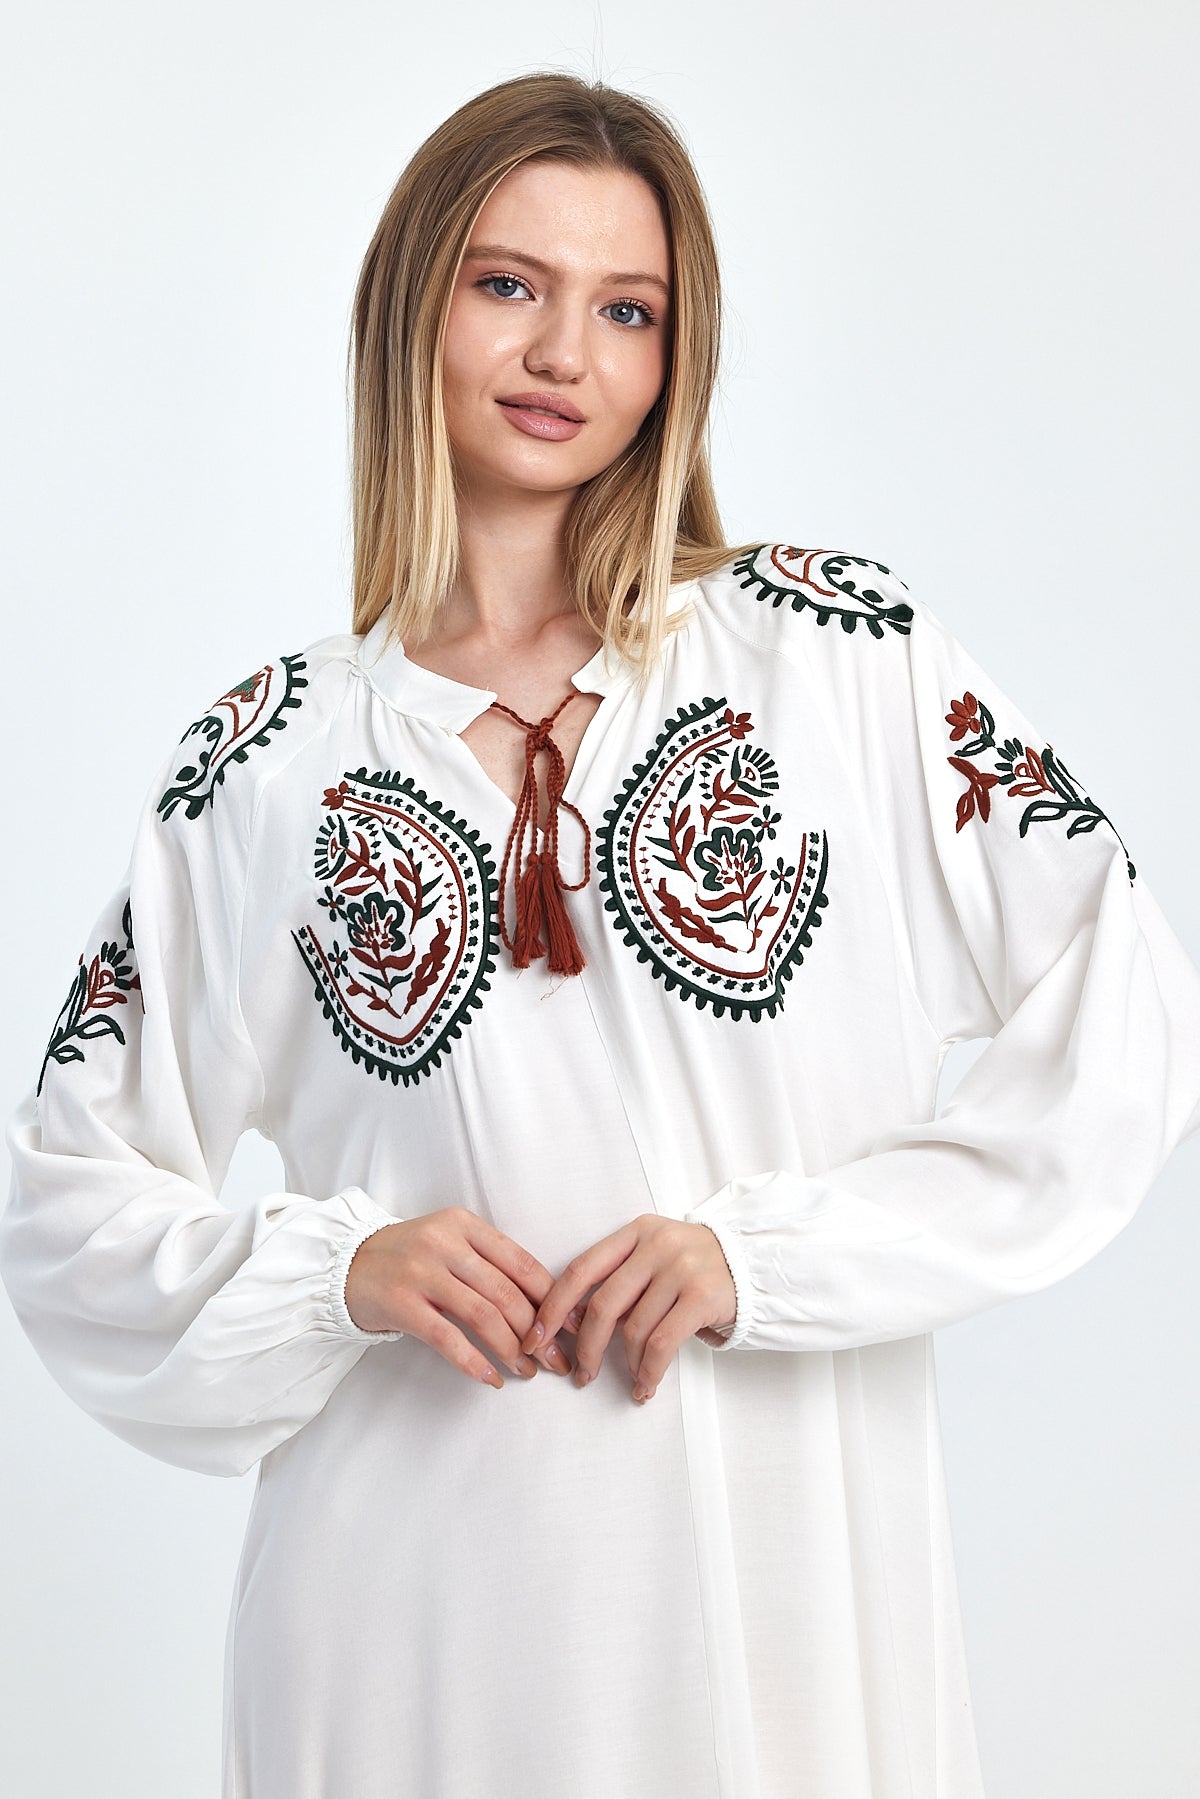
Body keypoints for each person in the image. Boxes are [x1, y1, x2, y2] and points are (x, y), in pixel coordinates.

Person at [3, 68, 1199, 1799]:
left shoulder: (834, 657)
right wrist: (337, 1272)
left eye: (627, 310)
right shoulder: (264, 761)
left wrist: (769, 1256)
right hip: (397, 1626)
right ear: (409, 304)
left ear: (674, 356)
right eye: (510, 285)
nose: (566, 354)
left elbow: (1129, 1005)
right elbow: (63, 1202)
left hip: (780, 1598)